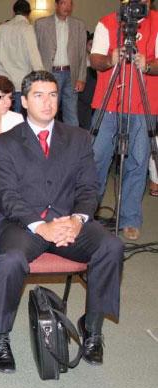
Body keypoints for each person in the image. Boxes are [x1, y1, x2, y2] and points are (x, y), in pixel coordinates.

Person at [0, 70, 124, 374]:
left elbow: (89, 188)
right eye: (38, 95)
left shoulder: (78, 138)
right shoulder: (4, 143)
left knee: (111, 246)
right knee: (10, 260)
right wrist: (42, 226)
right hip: (22, 224)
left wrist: (77, 219)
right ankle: (0, 336)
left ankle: (92, 329)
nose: (47, 102)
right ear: (24, 101)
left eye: (52, 95)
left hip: (68, 220)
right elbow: (6, 196)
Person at [89, 0, 158, 241]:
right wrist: (110, 60)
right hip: (108, 103)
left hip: (144, 105)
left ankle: (130, 218)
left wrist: (148, 65)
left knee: (138, 162)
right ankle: (86, 214)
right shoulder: (107, 22)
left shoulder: (157, 23)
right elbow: (94, 59)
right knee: (96, 158)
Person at [35, 0, 87, 126]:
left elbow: (82, 53)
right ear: (56, 5)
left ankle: (72, 138)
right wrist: (37, 76)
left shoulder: (79, 25)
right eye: (64, 3)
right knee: (48, 111)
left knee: (71, 114)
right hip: (49, 74)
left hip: (71, 75)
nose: (67, 7)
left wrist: (81, 78)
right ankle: (46, 136)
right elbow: (34, 51)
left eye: (70, 4)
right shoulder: (41, 24)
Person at [0, 0, 44, 113]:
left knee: (2, 115)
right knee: (17, 118)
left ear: (13, 12)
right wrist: (41, 78)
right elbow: (34, 56)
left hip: (3, 80)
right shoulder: (27, 28)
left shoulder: (3, 27)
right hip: (20, 83)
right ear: (29, 13)